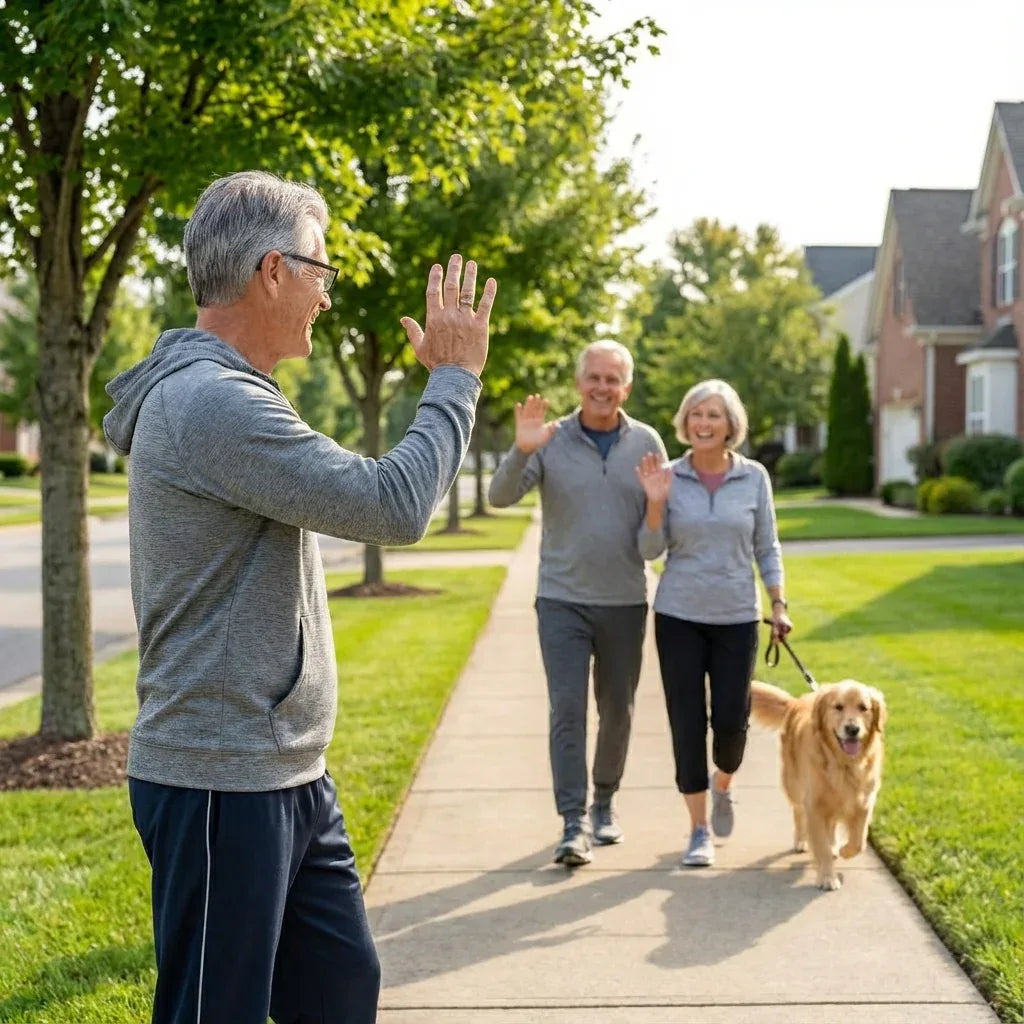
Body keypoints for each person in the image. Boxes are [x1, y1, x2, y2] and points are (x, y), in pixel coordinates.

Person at [102, 170, 496, 1024]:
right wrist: (456, 379)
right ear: (272, 271)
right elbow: (394, 505)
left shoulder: (232, 394)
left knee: (339, 991)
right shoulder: (211, 404)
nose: (326, 296)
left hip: (285, 770)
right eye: (320, 270)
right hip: (219, 773)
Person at [488, 341, 667, 866]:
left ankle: (604, 803)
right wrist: (522, 448)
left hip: (624, 602)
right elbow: (500, 498)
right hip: (562, 601)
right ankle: (573, 822)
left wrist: (657, 505)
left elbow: (652, 549)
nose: (603, 388)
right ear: (578, 382)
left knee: (617, 710)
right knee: (566, 710)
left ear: (626, 387)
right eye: (594, 377)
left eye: (613, 379)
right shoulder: (550, 439)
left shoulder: (647, 443)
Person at [636, 378, 791, 868]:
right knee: (686, 722)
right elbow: (648, 551)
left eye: (713, 415)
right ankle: (698, 828)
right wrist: (656, 503)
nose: (703, 423)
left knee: (730, 722)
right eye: (696, 414)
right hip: (678, 614)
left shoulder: (755, 478)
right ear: (685, 422)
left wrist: (779, 602)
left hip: (736, 616)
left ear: (730, 426)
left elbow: (767, 545)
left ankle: (724, 783)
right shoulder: (667, 476)